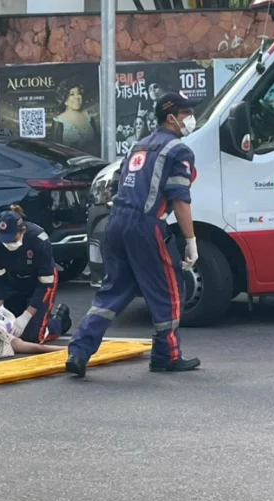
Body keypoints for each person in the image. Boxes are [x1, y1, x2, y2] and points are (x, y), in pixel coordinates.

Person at [65, 92, 202, 378]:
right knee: (169, 288)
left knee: (113, 290)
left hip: (116, 223)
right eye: (187, 113)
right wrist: (191, 240)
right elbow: (180, 199)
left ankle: (78, 351)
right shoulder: (178, 150)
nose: (191, 118)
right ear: (172, 117)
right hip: (146, 226)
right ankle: (167, 355)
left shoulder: (139, 146)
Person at [0, 205, 72, 344]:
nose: (8, 243)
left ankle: (59, 320)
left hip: (40, 281)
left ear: (22, 231)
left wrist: (26, 317)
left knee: (33, 335)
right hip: (14, 280)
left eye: (12, 238)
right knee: (5, 331)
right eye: (5, 239)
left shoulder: (39, 240)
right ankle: (38, 315)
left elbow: (45, 284)